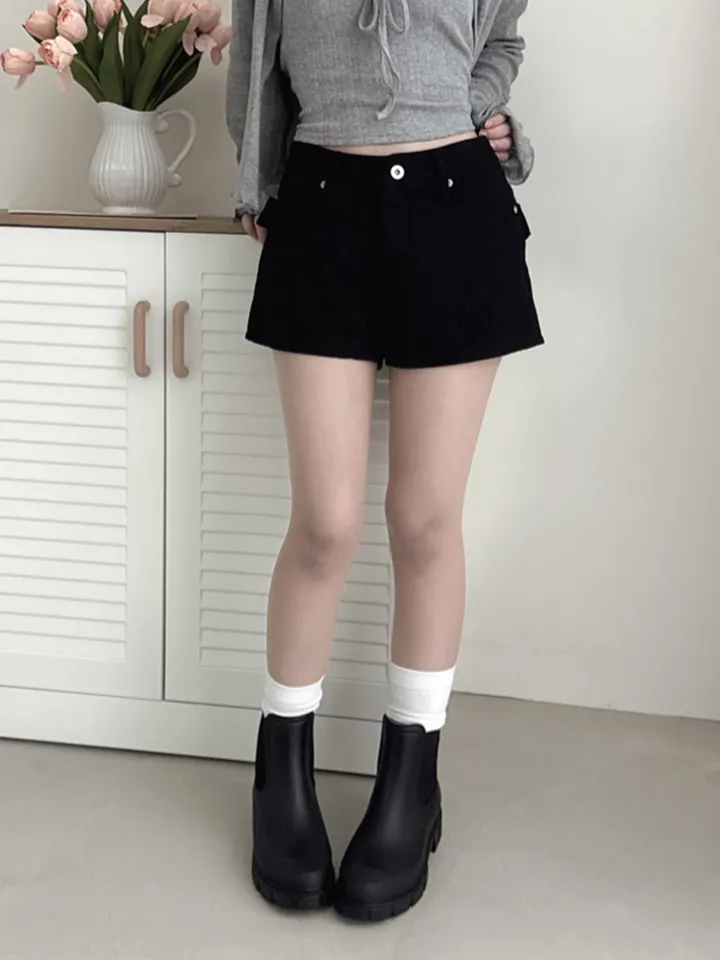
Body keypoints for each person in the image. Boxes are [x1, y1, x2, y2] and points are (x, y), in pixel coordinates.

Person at [226, 0, 543, 922]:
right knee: (325, 523)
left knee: (424, 522)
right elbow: (256, 58)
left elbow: (501, 39)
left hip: (456, 206)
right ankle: (280, 776)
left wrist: (479, 109)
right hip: (321, 205)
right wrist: (256, 183)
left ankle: (412, 782)